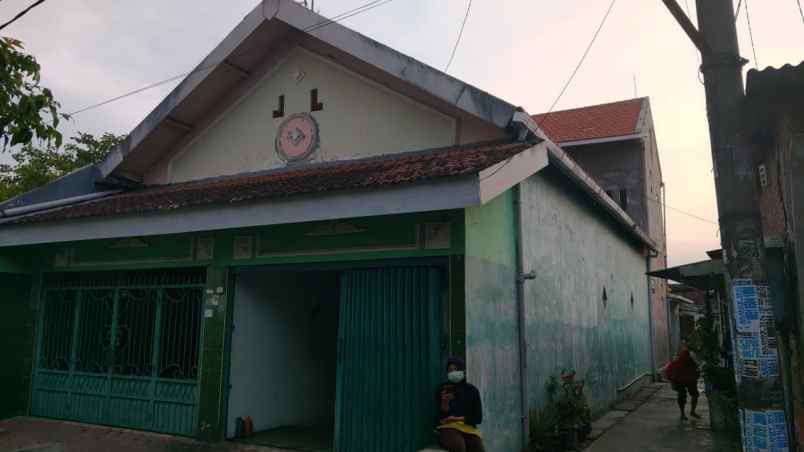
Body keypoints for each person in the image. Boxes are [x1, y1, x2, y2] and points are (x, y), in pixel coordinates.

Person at [435, 357, 485, 452]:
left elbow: (478, 418)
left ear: (463, 371)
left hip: (468, 429)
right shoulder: (442, 389)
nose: (453, 372)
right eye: (450, 370)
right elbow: (440, 416)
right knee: (459, 446)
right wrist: (445, 402)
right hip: (448, 427)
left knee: (478, 448)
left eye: (456, 369)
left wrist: (458, 419)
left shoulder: (472, 390)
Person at [664, 342, 701, 421]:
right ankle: (686, 413)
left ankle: (687, 413)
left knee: (690, 396)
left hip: (687, 381)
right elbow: (668, 372)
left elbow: (668, 372)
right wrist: (672, 380)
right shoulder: (680, 362)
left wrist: (672, 380)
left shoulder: (688, 362)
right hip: (682, 381)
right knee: (684, 396)